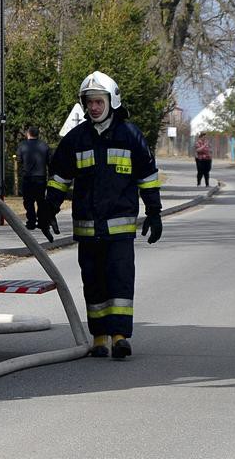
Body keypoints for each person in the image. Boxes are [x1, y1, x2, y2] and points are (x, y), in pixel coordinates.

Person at [38, 71, 162, 360]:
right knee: (93, 283)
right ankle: (99, 338)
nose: (93, 107)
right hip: (88, 229)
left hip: (120, 230)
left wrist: (154, 212)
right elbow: (60, 178)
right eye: (89, 102)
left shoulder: (130, 136)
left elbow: (148, 177)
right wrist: (48, 210)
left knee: (120, 280)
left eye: (99, 101)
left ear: (112, 101)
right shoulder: (76, 139)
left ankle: (120, 337)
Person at [16, 127, 51, 231]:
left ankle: (31, 222)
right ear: (38, 134)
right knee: (41, 201)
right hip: (41, 177)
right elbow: (50, 161)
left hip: (28, 178)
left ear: (28, 134)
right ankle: (42, 222)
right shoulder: (44, 146)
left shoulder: (22, 145)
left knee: (28, 201)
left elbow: (18, 159)